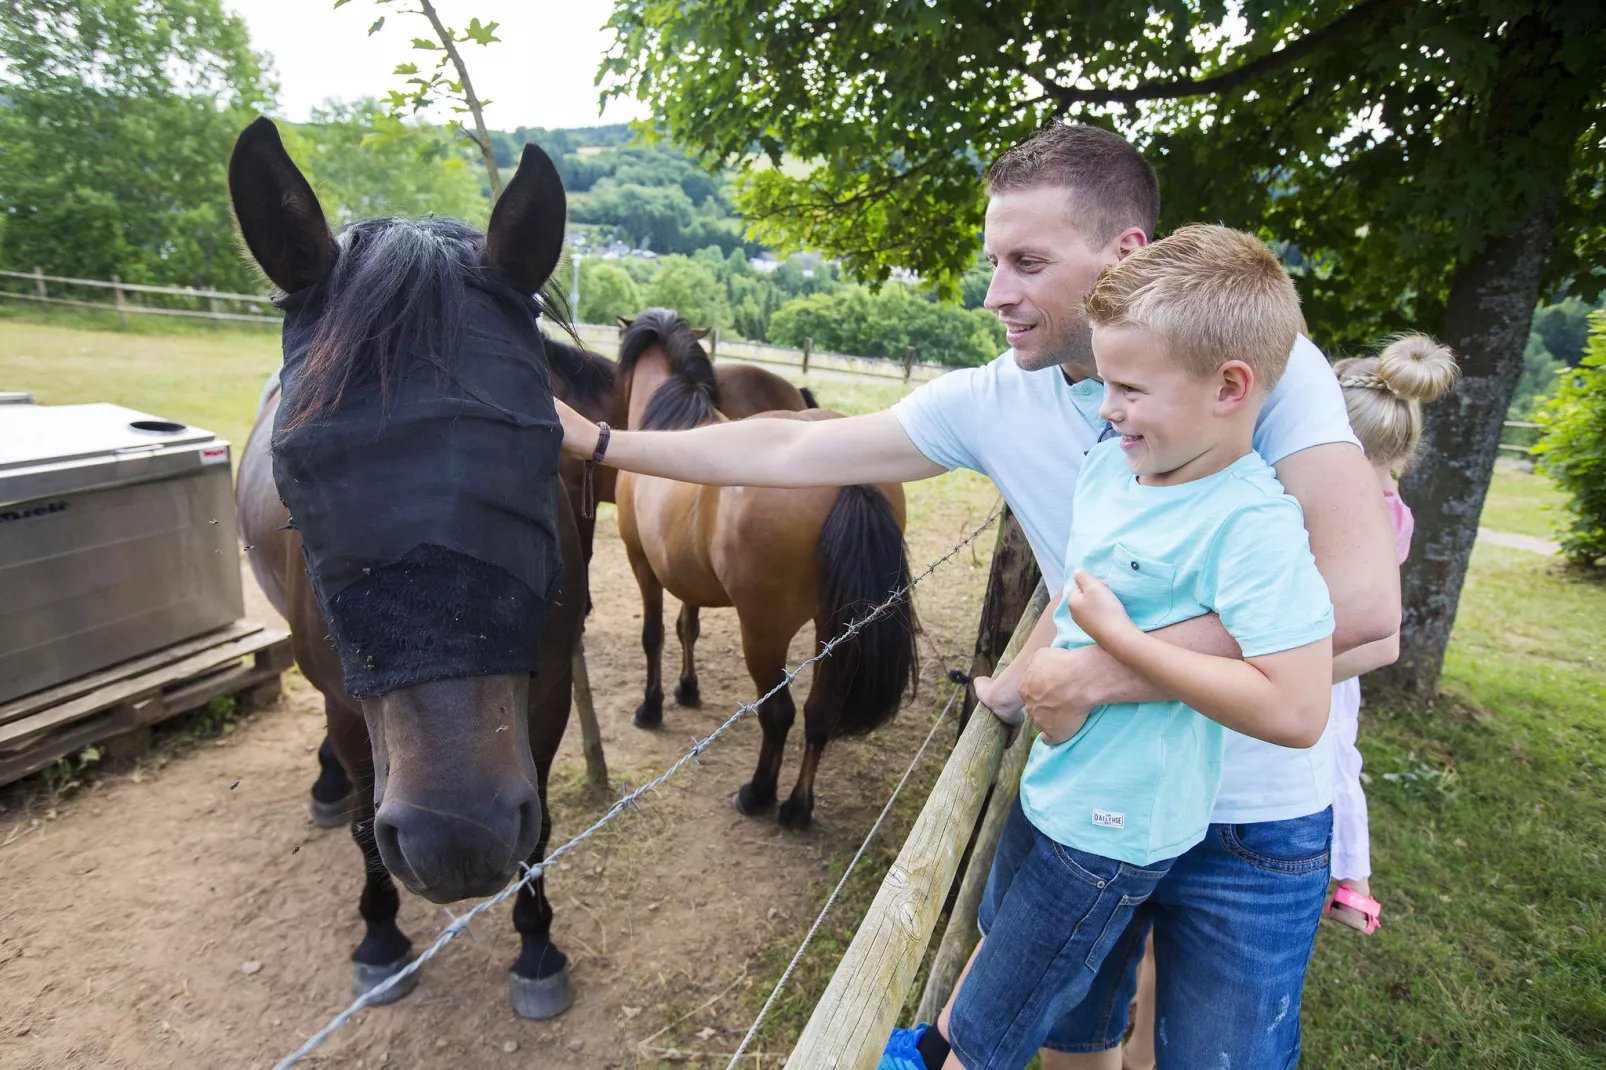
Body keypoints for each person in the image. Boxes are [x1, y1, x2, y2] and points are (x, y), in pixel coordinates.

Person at [556, 123, 1402, 1068]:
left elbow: (1362, 609)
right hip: (1089, 804)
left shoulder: (1245, 373)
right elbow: (788, 446)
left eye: (1028, 262)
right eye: (995, 260)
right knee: (1072, 1042)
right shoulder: (999, 399)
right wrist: (601, 447)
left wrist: (1098, 676)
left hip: (1250, 816)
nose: (997, 293)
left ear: (1123, 256)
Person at [921, 224, 1336, 1068]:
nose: (1107, 409)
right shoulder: (1114, 466)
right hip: (1055, 794)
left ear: (1230, 386)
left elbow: (1296, 708)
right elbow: (1076, 590)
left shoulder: (1251, 523)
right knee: (1031, 1005)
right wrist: (1017, 684)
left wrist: (1124, 647)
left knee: (979, 1036)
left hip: (1115, 831)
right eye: (1105, 383)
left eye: (1131, 390)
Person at [1323, 334, 1460, 933]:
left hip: (1321, 650)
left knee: (1322, 755)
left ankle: (1350, 878)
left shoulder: (1334, 502)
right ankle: (1353, 882)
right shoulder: (1394, 507)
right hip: (1342, 661)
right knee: (1338, 758)